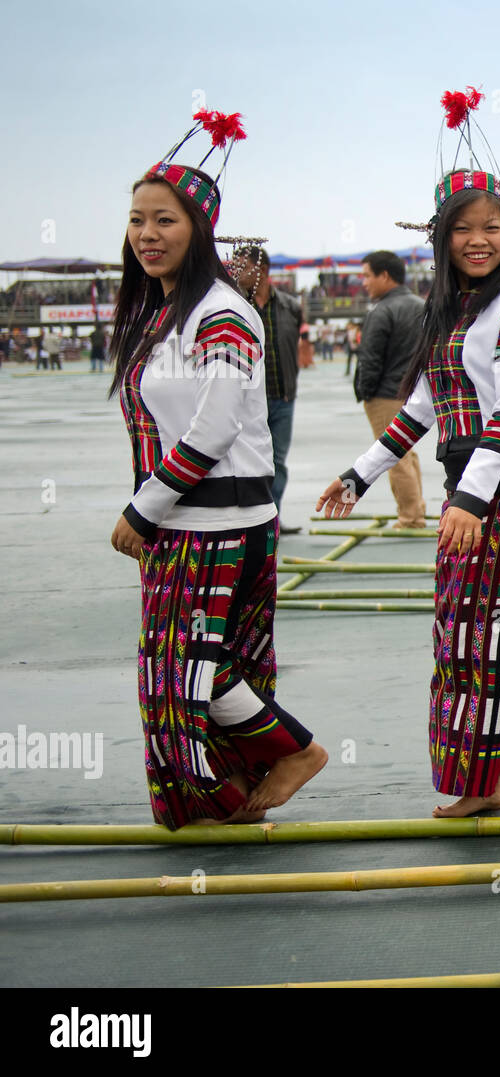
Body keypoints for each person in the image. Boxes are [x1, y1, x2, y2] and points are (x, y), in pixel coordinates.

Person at [318, 90, 500, 818]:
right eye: (463, 229)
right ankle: (486, 780)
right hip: (469, 488)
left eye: (491, 227)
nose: (479, 239)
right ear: (442, 238)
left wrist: (469, 497)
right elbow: (424, 408)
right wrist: (360, 473)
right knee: (461, 642)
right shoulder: (449, 310)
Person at [107, 109, 325, 829]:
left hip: (217, 522)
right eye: (138, 219)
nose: (147, 234)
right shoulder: (165, 311)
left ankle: (290, 753)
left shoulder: (221, 312)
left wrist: (145, 508)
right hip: (193, 520)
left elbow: (217, 423)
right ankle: (232, 794)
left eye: (164, 220)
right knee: (195, 668)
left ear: (198, 231)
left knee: (185, 671)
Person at [234, 246, 308, 533]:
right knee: (248, 464)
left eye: (242, 266)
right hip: (247, 403)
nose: (236, 272)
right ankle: (251, 523)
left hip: (283, 398)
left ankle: (271, 521)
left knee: (278, 462)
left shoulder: (290, 306)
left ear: (261, 269)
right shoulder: (235, 306)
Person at [353, 250, 428, 528]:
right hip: (414, 391)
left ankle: (410, 517)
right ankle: (417, 508)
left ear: (385, 276)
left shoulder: (382, 310)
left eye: (367, 276)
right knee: (407, 454)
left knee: (393, 456)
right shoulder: (422, 305)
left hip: (385, 394)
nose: (364, 282)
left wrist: (366, 391)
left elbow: (370, 358)